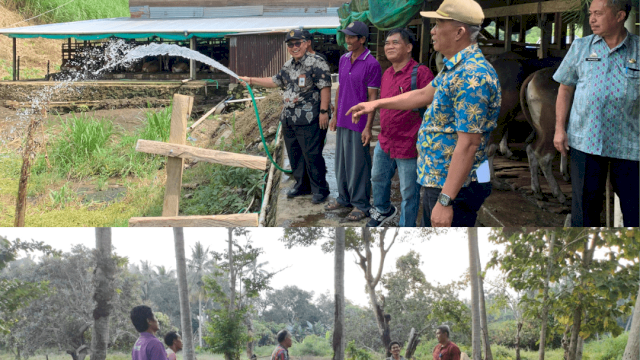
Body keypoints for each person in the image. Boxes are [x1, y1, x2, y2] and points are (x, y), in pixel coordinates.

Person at [347, 0, 500, 227]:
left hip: (454, 186)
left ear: (459, 32)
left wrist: (446, 200)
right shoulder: (454, 68)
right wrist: (375, 104)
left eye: (438, 24)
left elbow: (469, 144)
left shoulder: (472, 75)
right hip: (439, 178)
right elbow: (422, 95)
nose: (433, 31)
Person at [553, 0, 639, 227]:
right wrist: (559, 129)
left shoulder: (638, 49)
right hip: (586, 140)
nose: (591, 19)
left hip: (630, 144)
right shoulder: (581, 47)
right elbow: (565, 87)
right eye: (591, 13)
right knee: (584, 210)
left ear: (620, 16)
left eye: (598, 14)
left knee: (635, 209)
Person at [239, 29, 332, 204]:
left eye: (298, 43)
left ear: (306, 43)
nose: (294, 47)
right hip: (289, 118)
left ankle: (320, 189)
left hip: (310, 118)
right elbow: (275, 81)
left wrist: (324, 112)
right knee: (295, 154)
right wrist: (250, 80)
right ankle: (302, 185)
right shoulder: (289, 65)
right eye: (291, 44)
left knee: (312, 154)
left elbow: (325, 87)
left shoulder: (316, 62)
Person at [367, 28, 434, 227]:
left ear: (409, 47)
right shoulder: (386, 73)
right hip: (386, 140)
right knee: (377, 179)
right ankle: (382, 210)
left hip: (409, 143)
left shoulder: (421, 73)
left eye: (395, 42)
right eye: (387, 43)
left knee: (409, 192)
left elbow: (432, 106)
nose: (389, 46)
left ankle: (407, 226)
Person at [325, 21, 382, 222]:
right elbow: (340, 88)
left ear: (362, 39)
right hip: (342, 120)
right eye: (346, 36)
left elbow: (372, 97)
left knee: (358, 164)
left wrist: (368, 127)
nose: (347, 40)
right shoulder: (343, 59)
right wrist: (335, 115)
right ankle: (343, 198)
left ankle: (361, 205)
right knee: (341, 163)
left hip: (359, 122)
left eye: (351, 37)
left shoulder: (372, 63)